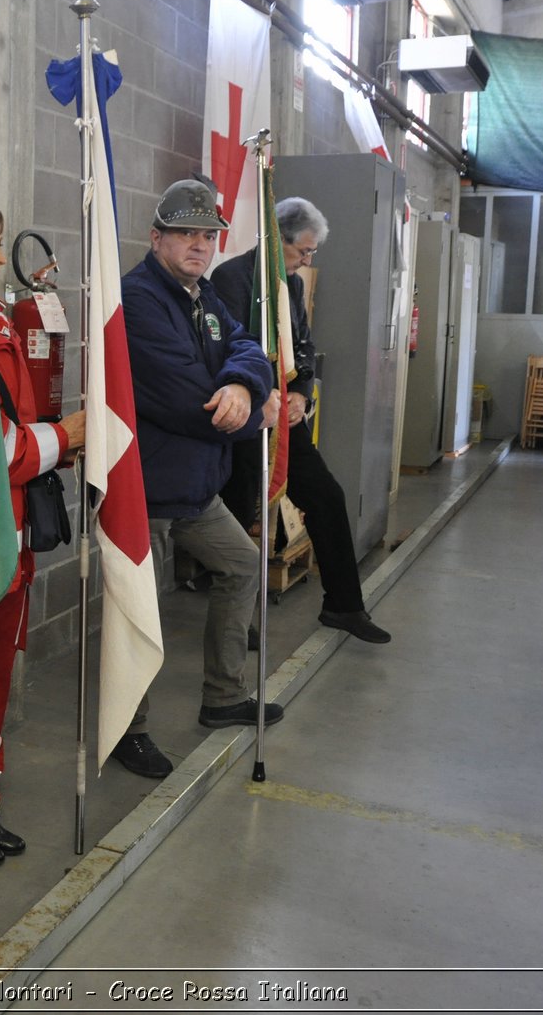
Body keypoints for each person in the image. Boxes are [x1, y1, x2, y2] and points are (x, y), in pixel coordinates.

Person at [111, 178, 284, 780]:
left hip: (193, 486)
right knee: (139, 613)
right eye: (185, 233)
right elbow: (186, 399)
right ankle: (127, 732)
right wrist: (248, 410)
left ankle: (223, 695)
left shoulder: (203, 296)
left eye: (208, 235)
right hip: (145, 491)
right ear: (156, 236)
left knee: (241, 564)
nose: (199, 244)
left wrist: (243, 384)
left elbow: (248, 347)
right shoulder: (138, 299)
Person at [0, 194, 86, 867]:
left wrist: (58, 437)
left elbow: (28, 414)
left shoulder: (1, 322)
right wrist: (62, 439)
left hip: (13, 538)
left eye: (0, 242)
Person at [213, 196, 390, 645]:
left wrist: (299, 392)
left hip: (284, 422)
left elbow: (304, 346)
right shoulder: (231, 278)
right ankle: (240, 625)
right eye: (302, 251)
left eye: (312, 253)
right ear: (278, 241)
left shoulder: (292, 284)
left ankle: (344, 605)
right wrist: (261, 395)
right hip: (245, 422)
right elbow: (226, 351)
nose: (307, 260)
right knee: (238, 513)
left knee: (327, 495)